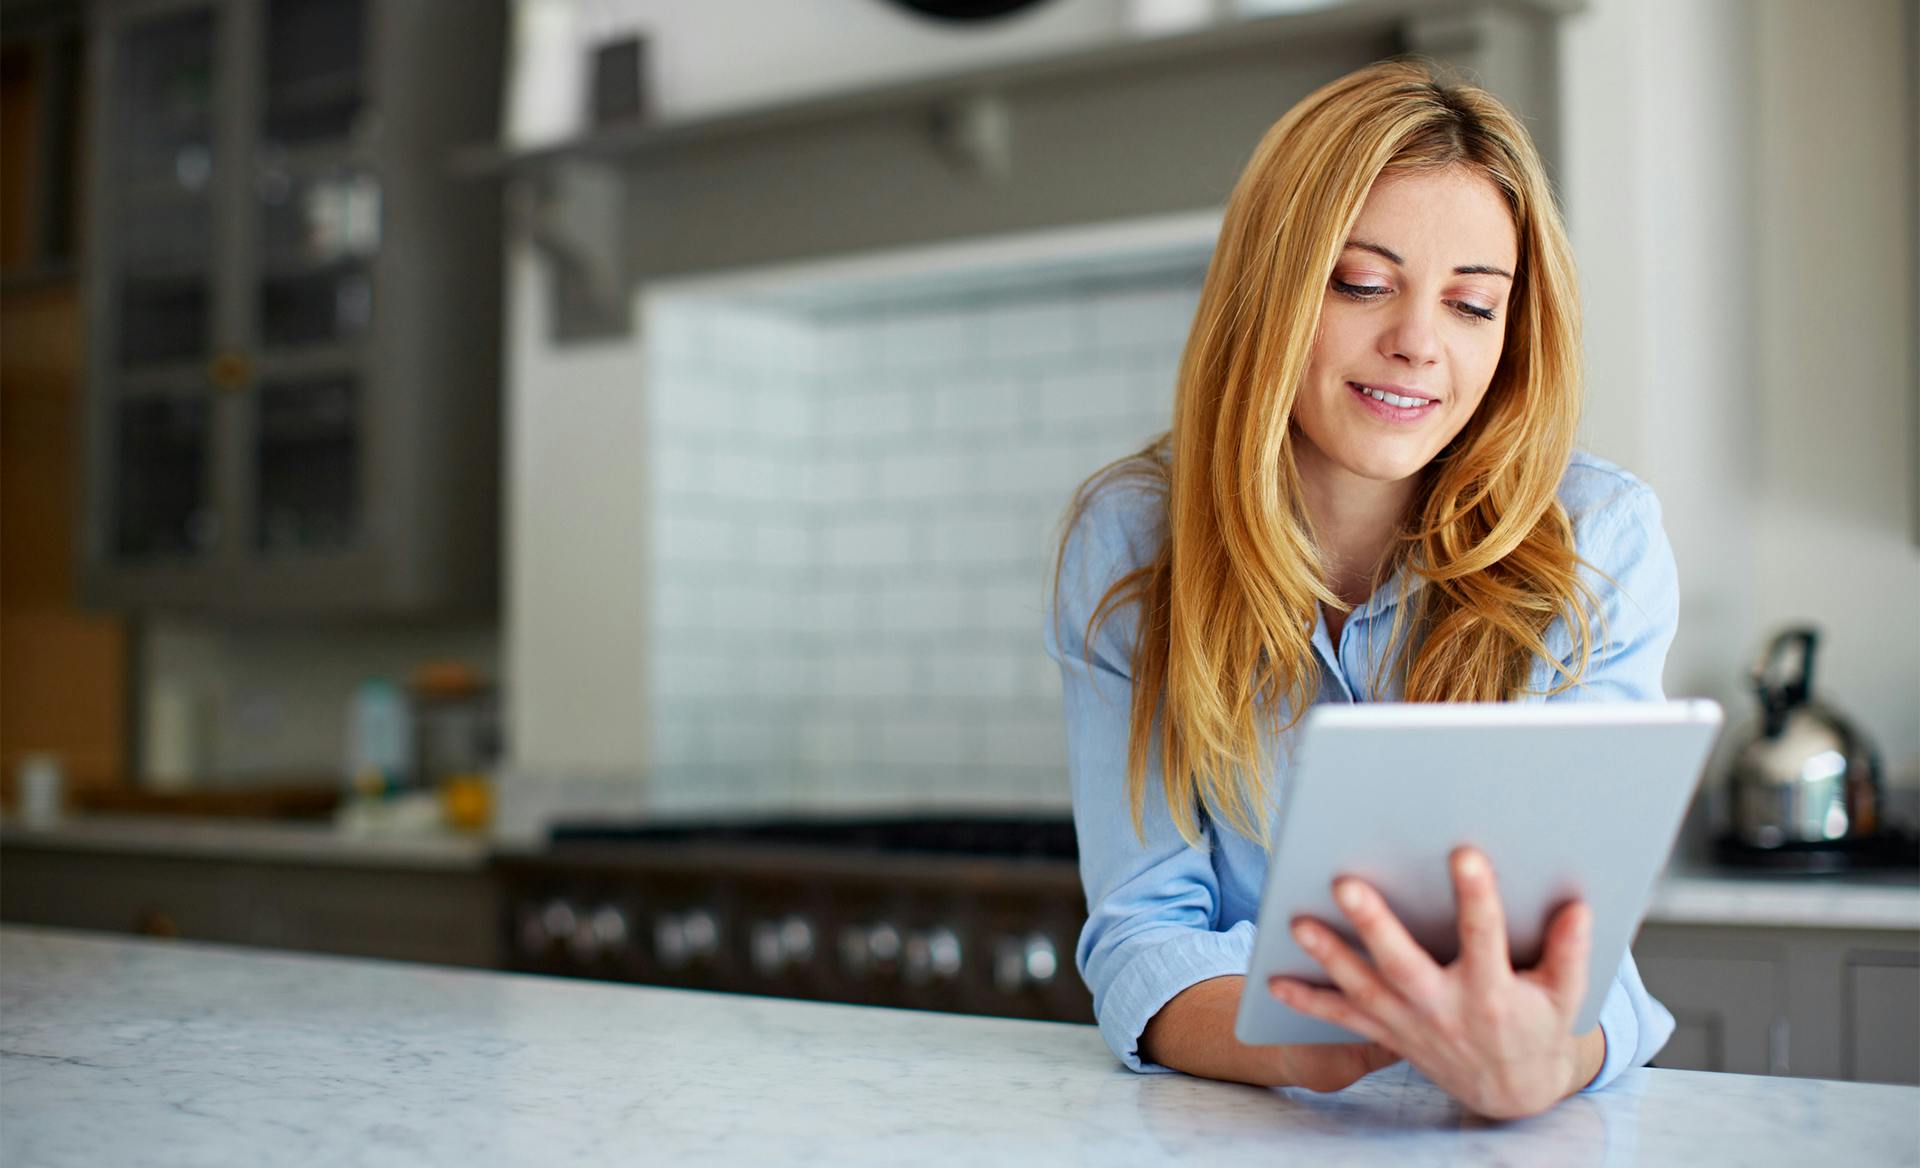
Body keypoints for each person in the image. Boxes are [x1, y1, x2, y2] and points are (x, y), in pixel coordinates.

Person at [1043, 58, 1678, 1121]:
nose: (1420, 344)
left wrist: (1539, 1060)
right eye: (1362, 282)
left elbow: (1584, 952)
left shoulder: (1599, 540)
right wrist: (1323, 1038)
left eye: (1474, 304)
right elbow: (1145, 932)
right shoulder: (1129, 543)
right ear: (1271, 291)